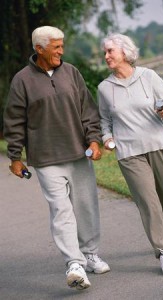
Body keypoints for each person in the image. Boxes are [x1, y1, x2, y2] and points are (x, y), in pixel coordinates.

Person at [3, 25, 110, 290]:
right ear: (39, 48)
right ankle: (74, 264)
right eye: (56, 46)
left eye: (62, 45)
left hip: (78, 153)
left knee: (86, 206)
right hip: (46, 158)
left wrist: (94, 140)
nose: (61, 51)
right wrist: (15, 156)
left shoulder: (71, 72)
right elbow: (15, 121)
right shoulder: (22, 80)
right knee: (61, 211)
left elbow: (87, 109)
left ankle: (90, 253)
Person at [98, 33, 163, 276]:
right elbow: (104, 120)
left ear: (125, 52)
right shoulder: (104, 88)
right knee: (148, 201)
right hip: (129, 152)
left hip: (158, 144)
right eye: (105, 52)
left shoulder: (148, 76)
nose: (106, 56)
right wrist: (107, 138)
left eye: (110, 51)